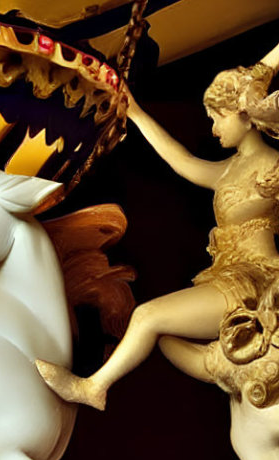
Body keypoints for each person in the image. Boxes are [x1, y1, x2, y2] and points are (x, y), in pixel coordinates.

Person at [37, 42, 279, 410]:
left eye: (218, 117)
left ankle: (94, 387)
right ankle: (231, 362)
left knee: (147, 317)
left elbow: (253, 81)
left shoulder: (273, 168)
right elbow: (180, 159)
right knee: (160, 335)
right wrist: (134, 114)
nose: (213, 128)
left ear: (244, 114)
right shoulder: (226, 171)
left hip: (252, 281)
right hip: (225, 277)